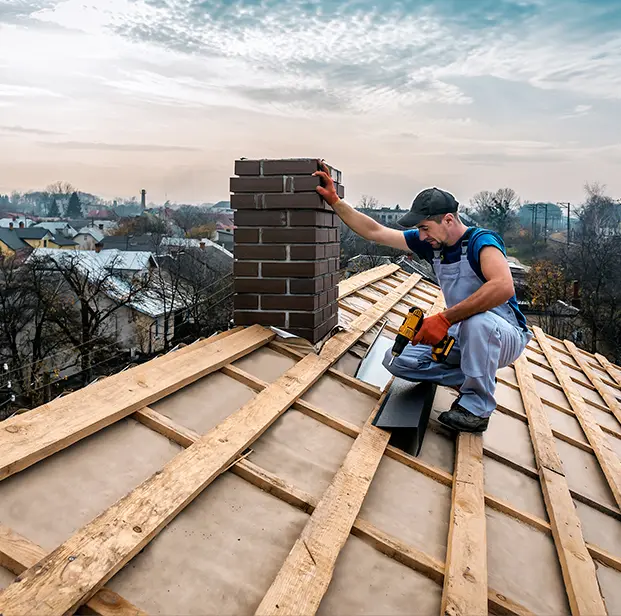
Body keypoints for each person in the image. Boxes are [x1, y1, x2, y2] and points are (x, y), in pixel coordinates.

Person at [314, 161, 532, 432]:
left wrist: (444, 319)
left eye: (425, 227)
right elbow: (375, 231)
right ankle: (473, 374)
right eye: (419, 229)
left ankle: (476, 408)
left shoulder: (481, 242)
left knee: (479, 324)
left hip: (503, 334)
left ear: (448, 220)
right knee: (399, 361)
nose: (421, 235)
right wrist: (336, 201)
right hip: (463, 331)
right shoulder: (433, 244)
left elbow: (503, 286)